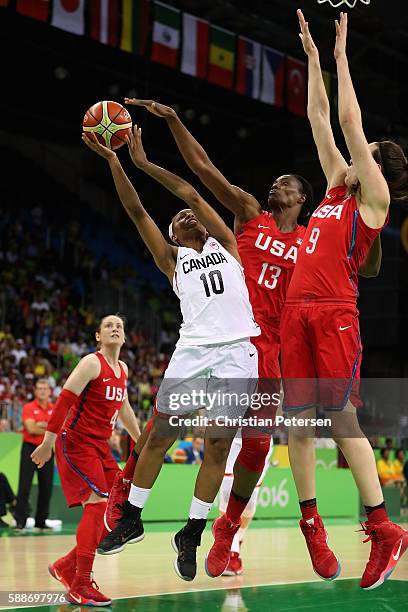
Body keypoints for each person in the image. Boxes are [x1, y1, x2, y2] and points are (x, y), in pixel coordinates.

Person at [123, 96, 379, 576]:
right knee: (172, 423)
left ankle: (227, 529)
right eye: (275, 181)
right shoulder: (248, 215)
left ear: (303, 198)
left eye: (285, 183)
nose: (274, 185)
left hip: (277, 355)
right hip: (234, 339)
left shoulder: (313, 238)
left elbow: (366, 263)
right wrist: (176, 119)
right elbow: (202, 172)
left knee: (258, 447)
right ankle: (131, 495)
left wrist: (373, 212)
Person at [81, 129, 260, 582]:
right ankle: (133, 518)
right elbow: (136, 209)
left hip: (239, 352)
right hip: (194, 352)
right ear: (173, 235)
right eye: (180, 218)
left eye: (191, 215)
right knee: (159, 436)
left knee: (218, 446)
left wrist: (146, 162)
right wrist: (115, 162)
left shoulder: (229, 244)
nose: (188, 216)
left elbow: (191, 192)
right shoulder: (172, 260)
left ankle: (193, 532)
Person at [279, 10, 408, 590]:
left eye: (367, 150)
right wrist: (310, 57)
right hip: (296, 313)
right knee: (297, 425)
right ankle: (312, 525)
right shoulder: (335, 184)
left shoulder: (373, 198)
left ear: (378, 165)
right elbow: (319, 118)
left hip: (333, 312)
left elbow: (349, 120)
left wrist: (340, 56)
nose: (357, 152)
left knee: (340, 415)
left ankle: (383, 529)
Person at [31, 314, 141, 606]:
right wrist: (47, 442)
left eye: (120, 325)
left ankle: (67, 566)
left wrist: (142, 445)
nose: (115, 328)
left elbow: (126, 408)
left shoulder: (123, 369)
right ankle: (81, 582)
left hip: (100, 446)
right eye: (109, 325)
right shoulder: (91, 363)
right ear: (98, 336)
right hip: (75, 443)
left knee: (117, 509)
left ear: (125, 337)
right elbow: (64, 401)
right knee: (97, 506)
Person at [14, 378, 55, 530]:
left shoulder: (55, 408)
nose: (42, 391)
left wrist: (42, 426)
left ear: (50, 391)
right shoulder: (29, 407)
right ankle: (20, 521)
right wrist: (48, 428)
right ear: (35, 391)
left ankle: (41, 520)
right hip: (30, 449)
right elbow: (31, 429)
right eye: (39, 388)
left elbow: (59, 428)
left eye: (45, 388)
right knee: (24, 486)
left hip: (47, 449)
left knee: (46, 488)